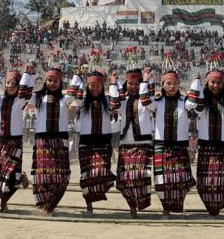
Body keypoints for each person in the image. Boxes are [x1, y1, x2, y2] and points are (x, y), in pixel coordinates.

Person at [140, 70, 195, 219]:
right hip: (161, 146)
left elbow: (195, 102)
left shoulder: (184, 101)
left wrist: (196, 82)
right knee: (161, 180)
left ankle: (177, 205)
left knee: (180, 179)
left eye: (175, 83)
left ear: (179, 85)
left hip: (179, 146)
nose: (172, 86)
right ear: (163, 85)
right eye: (168, 83)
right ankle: (165, 209)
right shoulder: (157, 103)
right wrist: (146, 81)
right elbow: (144, 100)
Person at [27, 68, 78, 215]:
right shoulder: (38, 98)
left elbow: (74, 90)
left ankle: (52, 203)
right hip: (43, 140)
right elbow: (23, 93)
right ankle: (45, 206)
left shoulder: (64, 99)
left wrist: (77, 74)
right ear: (45, 81)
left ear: (61, 82)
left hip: (60, 140)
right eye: (50, 80)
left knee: (62, 175)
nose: (52, 83)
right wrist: (29, 74)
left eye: (56, 80)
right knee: (42, 175)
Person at [185, 70, 224, 215]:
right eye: (212, 82)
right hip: (206, 146)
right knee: (206, 180)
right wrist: (196, 81)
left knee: (223, 179)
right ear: (207, 83)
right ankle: (210, 206)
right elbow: (194, 103)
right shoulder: (203, 100)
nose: (215, 85)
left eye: (219, 83)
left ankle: (218, 206)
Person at [0, 63, 35, 213]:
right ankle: (1, 202)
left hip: (14, 142)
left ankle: (6, 199)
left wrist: (27, 74)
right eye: (8, 82)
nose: (10, 85)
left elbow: (24, 92)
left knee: (10, 175)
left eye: (14, 83)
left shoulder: (20, 101)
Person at [109, 68, 154, 218]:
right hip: (125, 143)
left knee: (139, 175)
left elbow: (146, 99)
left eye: (137, 83)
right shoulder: (123, 100)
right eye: (130, 83)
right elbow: (114, 103)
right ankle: (131, 206)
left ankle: (140, 202)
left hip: (143, 143)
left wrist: (146, 82)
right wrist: (113, 84)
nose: (133, 86)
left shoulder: (147, 100)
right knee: (124, 178)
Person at [72, 70, 116, 217]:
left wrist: (114, 83)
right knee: (86, 176)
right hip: (86, 141)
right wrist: (77, 77)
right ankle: (89, 206)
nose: (95, 88)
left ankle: (106, 183)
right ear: (87, 85)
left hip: (103, 141)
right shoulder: (83, 101)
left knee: (102, 170)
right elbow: (75, 97)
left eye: (98, 85)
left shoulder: (108, 101)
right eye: (92, 85)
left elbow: (117, 102)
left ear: (103, 86)